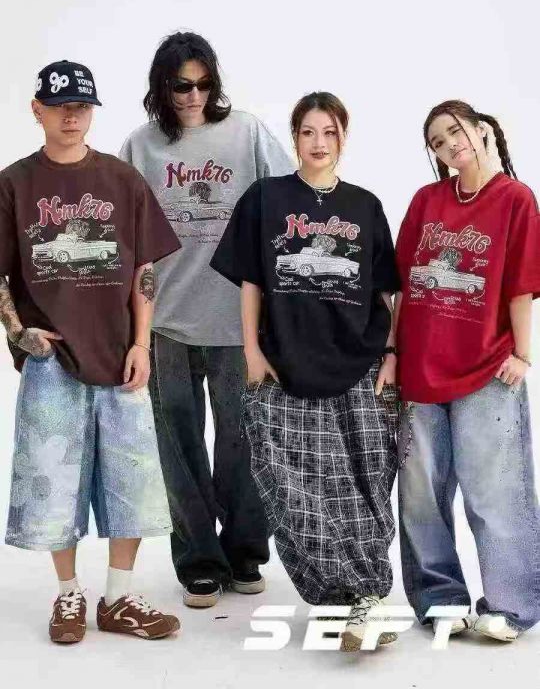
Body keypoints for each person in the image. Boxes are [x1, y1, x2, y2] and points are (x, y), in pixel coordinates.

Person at [211, 92, 400, 652]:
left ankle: (366, 595)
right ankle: (336, 596)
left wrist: (391, 353)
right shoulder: (266, 198)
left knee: (363, 480)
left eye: (330, 132)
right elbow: (252, 281)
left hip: (358, 362)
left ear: (344, 137)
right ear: (294, 137)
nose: (319, 143)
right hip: (283, 363)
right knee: (290, 485)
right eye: (308, 132)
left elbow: (386, 291)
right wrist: (252, 350)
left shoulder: (365, 205)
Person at [0, 60, 181, 643]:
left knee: (134, 481)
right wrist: (18, 333)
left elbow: (144, 269)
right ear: (37, 110)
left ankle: (120, 598)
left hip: (120, 355)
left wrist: (142, 343)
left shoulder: (122, 180)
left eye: (80, 106)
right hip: (52, 362)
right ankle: (69, 595)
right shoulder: (13, 183)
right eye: (59, 106)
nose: (71, 116)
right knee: (54, 482)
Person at [120, 32, 295, 608]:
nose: (194, 96)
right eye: (182, 86)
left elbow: (287, 200)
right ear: (162, 88)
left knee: (243, 445)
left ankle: (244, 552)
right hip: (165, 323)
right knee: (179, 449)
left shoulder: (246, 132)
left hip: (236, 322)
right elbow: (124, 238)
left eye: (204, 84)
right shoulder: (140, 145)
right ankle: (198, 560)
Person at [395, 99, 540, 642]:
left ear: (481, 131)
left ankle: (509, 606)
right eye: (437, 141)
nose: (449, 145)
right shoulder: (427, 200)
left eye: (455, 131)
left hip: (486, 369)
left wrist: (522, 353)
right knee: (420, 495)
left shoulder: (515, 198)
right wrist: (392, 353)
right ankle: (440, 599)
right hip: (420, 369)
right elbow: (403, 285)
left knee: (495, 490)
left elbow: (521, 283)